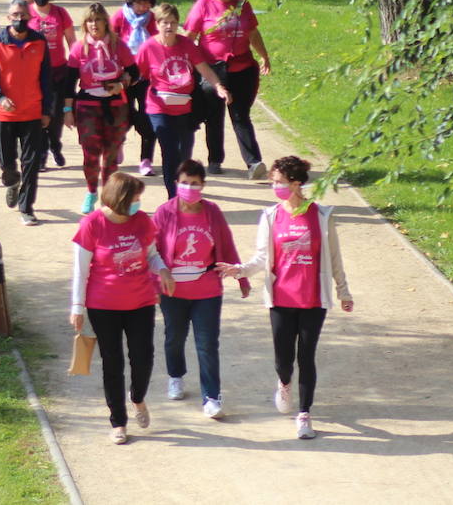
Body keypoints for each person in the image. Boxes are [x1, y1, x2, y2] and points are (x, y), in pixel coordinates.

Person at [217, 155, 354, 440]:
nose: (275, 187)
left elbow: (335, 258)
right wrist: (239, 270)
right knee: (283, 359)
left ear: (296, 183)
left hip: (313, 300)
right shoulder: (270, 216)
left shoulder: (322, 216)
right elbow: (262, 258)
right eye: (273, 182)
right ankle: (283, 382)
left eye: (279, 182)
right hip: (280, 298)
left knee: (307, 355)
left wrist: (343, 291)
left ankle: (304, 413)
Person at [69, 172, 174, 445]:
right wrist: (77, 307)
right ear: (121, 198)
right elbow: (80, 271)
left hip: (140, 301)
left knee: (144, 357)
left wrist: (162, 270)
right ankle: (118, 421)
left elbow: (151, 254)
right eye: (135, 198)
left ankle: (137, 398)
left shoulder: (142, 221)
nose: (139, 203)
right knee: (112, 362)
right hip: (103, 305)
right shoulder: (92, 224)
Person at [153, 159, 251, 416]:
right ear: (176, 184)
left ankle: (211, 397)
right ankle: (175, 375)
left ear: (203, 186)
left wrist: (241, 276)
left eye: (195, 184)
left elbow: (226, 245)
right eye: (184, 183)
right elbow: (152, 252)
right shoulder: (164, 212)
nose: (189, 188)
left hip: (206, 290)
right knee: (174, 337)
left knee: (207, 343)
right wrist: (153, 284)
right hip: (173, 290)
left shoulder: (212, 212)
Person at [183, 0, 273, 179]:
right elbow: (190, 37)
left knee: (241, 115)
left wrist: (264, 56)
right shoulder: (203, 5)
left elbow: (252, 33)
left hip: (241, 68)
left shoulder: (242, 5)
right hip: (213, 68)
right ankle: (215, 160)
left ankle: (254, 162)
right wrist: (187, 63)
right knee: (214, 115)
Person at [134, 3, 229, 201]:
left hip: (185, 108)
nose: (169, 27)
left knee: (184, 153)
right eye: (164, 23)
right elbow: (137, 75)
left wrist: (219, 87)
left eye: (173, 23)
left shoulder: (186, 45)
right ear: (157, 24)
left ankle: (184, 190)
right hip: (159, 108)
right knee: (170, 153)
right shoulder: (148, 47)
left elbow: (204, 69)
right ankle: (173, 199)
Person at [0, 0, 52, 225]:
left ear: (29, 17)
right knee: (5, 159)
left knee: (31, 163)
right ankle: (11, 180)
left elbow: (46, 79)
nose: (18, 19)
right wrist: (0, 97)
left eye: (22, 14)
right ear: (7, 17)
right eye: (14, 14)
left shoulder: (39, 42)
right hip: (5, 114)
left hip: (32, 112)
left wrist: (47, 110)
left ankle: (26, 207)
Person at [63, 3, 136, 213]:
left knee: (111, 155)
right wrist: (67, 112)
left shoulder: (118, 45)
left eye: (98, 19)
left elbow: (135, 72)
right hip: (87, 106)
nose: (94, 24)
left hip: (114, 106)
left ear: (106, 22)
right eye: (90, 20)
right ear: (85, 24)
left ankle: (109, 197)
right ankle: (91, 191)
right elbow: (69, 83)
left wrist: (121, 84)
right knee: (91, 154)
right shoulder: (78, 48)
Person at [26, 0, 75, 170]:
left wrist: (76, 65)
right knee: (38, 115)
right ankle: (41, 154)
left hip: (58, 72)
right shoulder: (26, 14)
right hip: (34, 73)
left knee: (55, 116)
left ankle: (55, 144)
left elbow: (72, 41)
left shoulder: (60, 13)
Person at [112, 0, 159, 177]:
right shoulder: (119, 17)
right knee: (124, 114)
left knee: (148, 117)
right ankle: (119, 142)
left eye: (147, 4)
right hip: (124, 75)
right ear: (131, 2)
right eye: (139, 4)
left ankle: (146, 159)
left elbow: (158, 44)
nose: (143, 8)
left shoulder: (153, 19)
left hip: (146, 75)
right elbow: (111, 45)